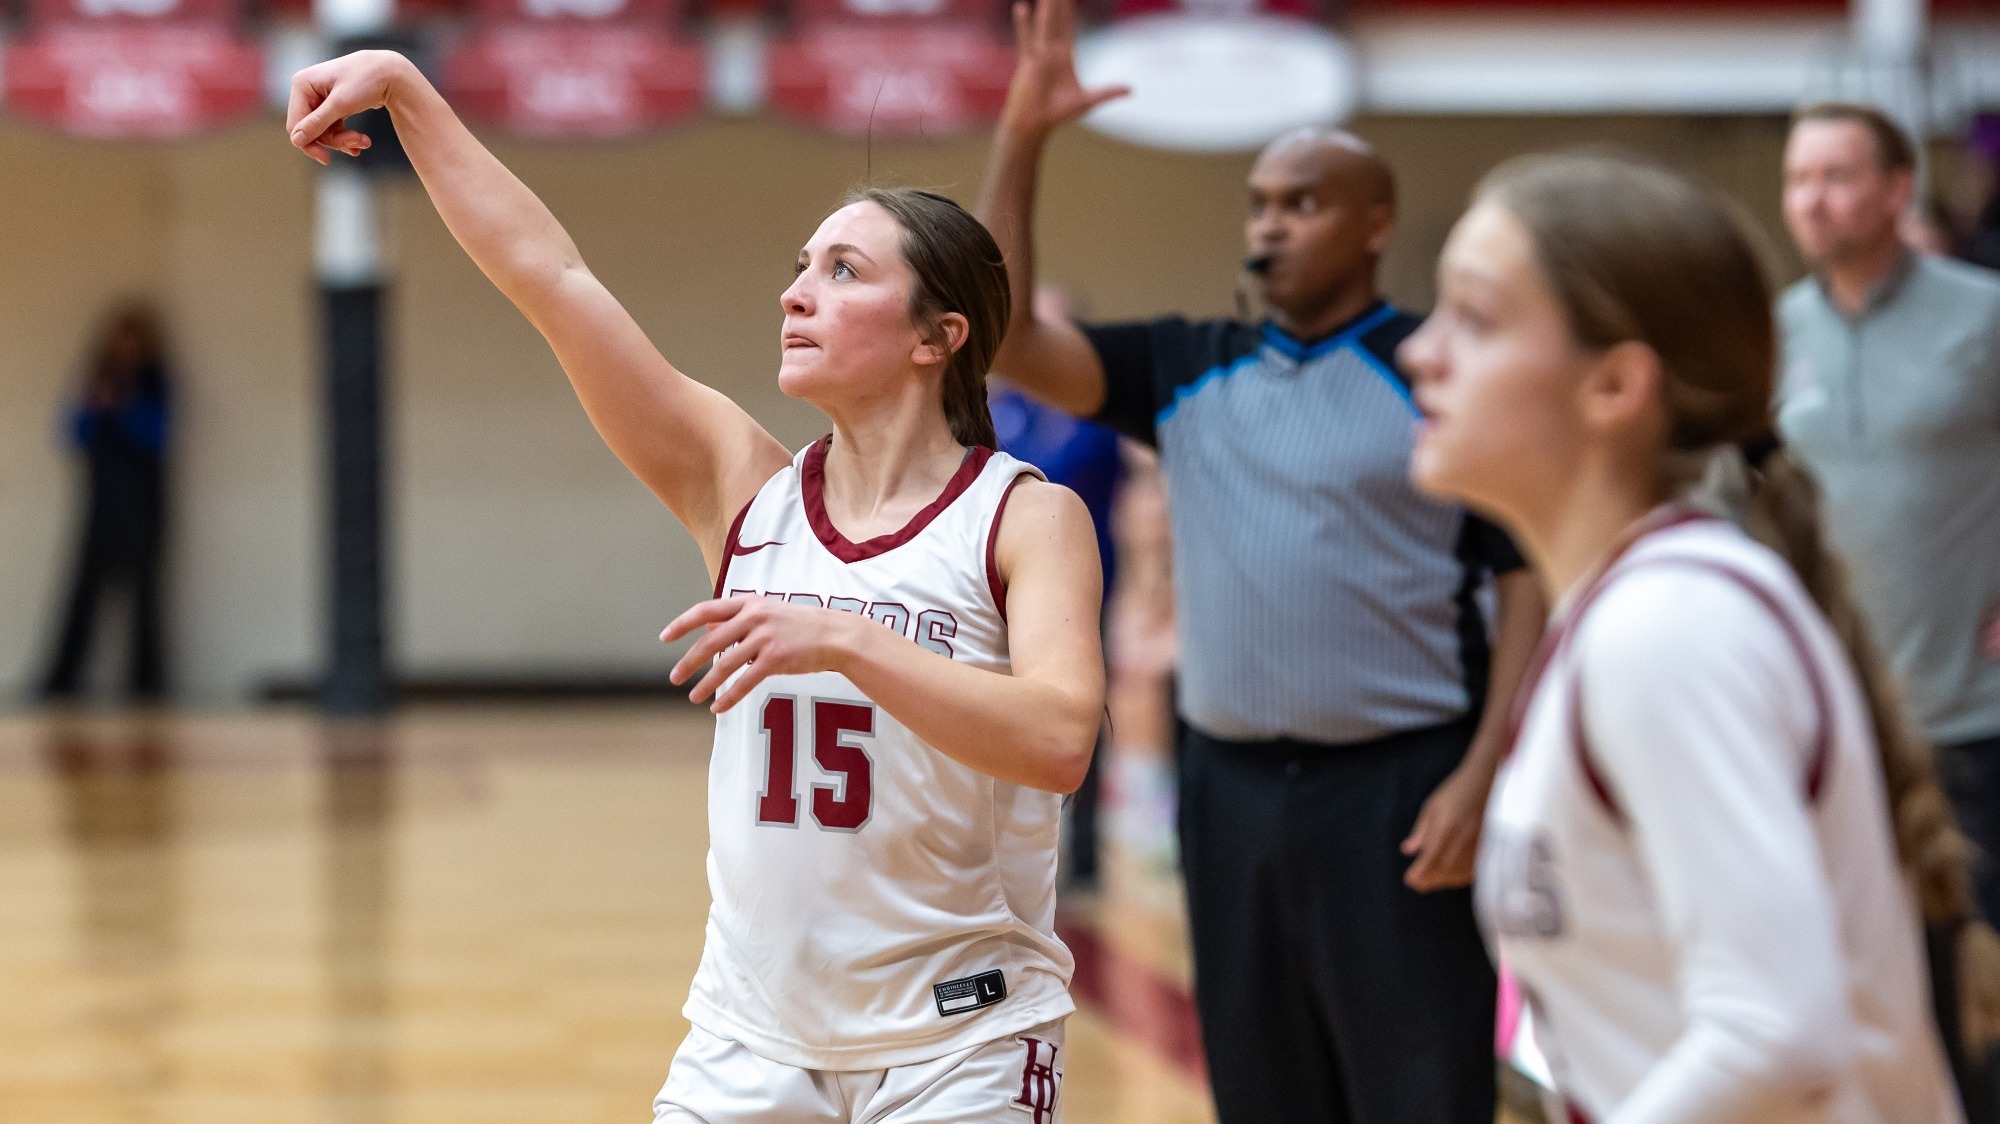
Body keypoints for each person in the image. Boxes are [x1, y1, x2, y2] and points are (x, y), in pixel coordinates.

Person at [286, 50, 1105, 1124]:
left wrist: (846, 639)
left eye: (844, 271)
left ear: (935, 337)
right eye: (801, 263)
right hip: (748, 1037)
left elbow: (1056, 737)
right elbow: (551, 275)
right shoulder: (743, 487)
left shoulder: (1021, 514)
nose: (795, 291)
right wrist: (406, 89)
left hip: (960, 1042)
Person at [976, 1, 1545, 1120]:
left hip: (1402, 784)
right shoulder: (1186, 363)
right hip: (1227, 789)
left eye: (1303, 202)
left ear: (1375, 221)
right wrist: (1022, 140)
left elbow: (1521, 580)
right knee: (1260, 1091)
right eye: (1259, 205)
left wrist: (1484, 771)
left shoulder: (1434, 374)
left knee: (1419, 1090)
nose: (1271, 225)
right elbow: (1000, 340)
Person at [1404, 150, 1982, 1123]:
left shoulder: (1668, 626)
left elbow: (1774, 1029)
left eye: (1474, 317)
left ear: (1615, 384)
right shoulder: (1625, 609)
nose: (1421, 352)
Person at [1776, 104, 2000, 935]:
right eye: (1799, 179)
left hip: (1974, 718)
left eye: (1837, 176)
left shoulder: (1983, 315)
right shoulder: (1775, 333)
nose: (1812, 200)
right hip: (1832, 727)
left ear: (1898, 190)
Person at [991, 286, 1123, 890]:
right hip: (1016, 590)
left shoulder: (1098, 415)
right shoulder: (1000, 409)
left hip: (1101, 583)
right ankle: (1016, 846)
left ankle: (1087, 854)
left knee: (1086, 716)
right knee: (1016, 709)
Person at [40, 307, 173, 704]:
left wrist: (127, 407)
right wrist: (94, 405)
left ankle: (147, 689)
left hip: (142, 505)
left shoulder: (153, 383)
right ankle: (60, 685)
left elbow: (159, 437)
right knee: (82, 595)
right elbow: (69, 435)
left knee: (143, 600)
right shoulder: (96, 379)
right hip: (100, 505)